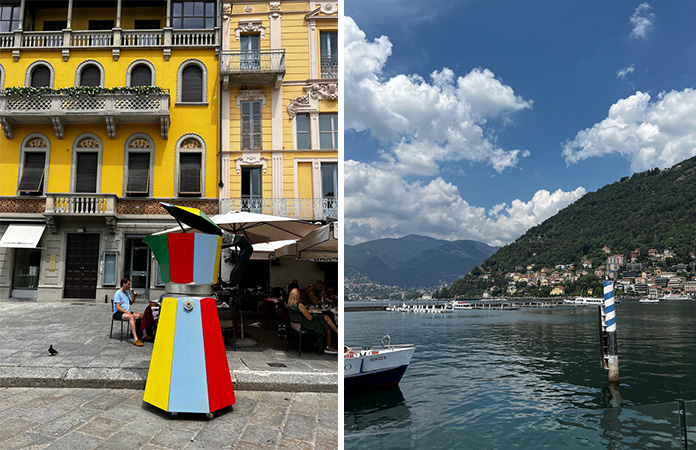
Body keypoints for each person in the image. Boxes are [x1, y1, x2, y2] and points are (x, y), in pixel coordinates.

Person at [287, 285, 338, 354]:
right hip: (304, 324)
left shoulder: (289, 305)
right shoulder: (300, 305)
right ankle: (329, 345)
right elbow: (310, 318)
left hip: (294, 324)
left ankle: (331, 342)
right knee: (326, 324)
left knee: (325, 318)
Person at [113, 277, 151, 346]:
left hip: (127, 311)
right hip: (118, 313)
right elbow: (118, 307)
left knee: (142, 315)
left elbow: (131, 302)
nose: (129, 286)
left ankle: (144, 334)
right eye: (128, 284)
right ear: (124, 284)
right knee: (131, 317)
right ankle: (135, 339)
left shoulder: (127, 292)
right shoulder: (118, 293)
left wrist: (134, 296)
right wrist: (128, 312)